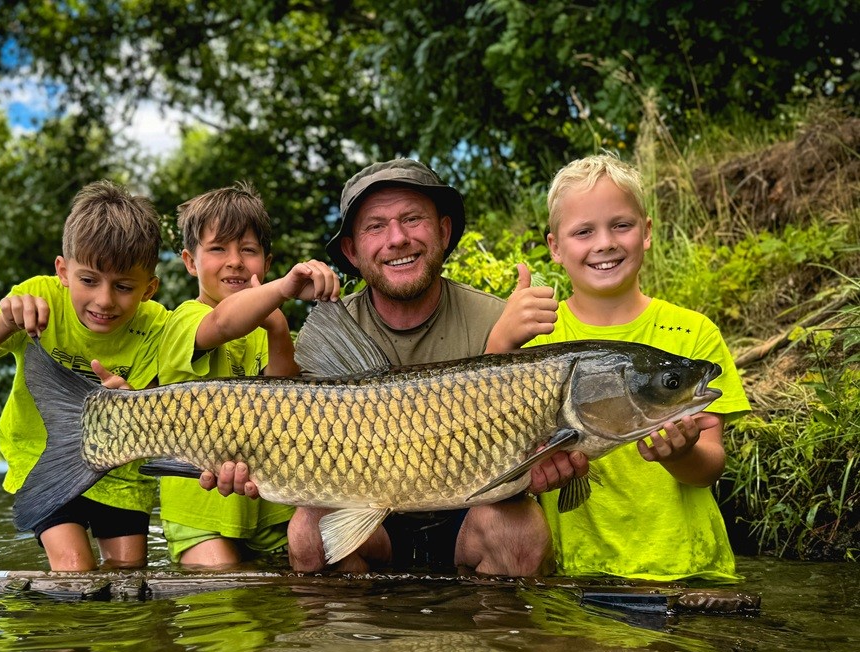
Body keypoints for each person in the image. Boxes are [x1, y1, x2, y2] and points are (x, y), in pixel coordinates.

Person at [202, 159, 589, 576]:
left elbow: (541, 450)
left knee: (520, 533)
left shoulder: (501, 322)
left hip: (469, 521)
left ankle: (494, 640)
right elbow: (287, 431)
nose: (397, 238)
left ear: (442, 231)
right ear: (351, 250)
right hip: (369, 525)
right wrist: (242, 459)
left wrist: (551, 467)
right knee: (308, 531)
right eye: (376, 226)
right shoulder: (331, 331)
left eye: (412, 219)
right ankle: (357, 639)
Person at [529, 153, 751, 581]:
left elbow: (710, 467)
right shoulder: (539, 338)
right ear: (555, 247)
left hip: (685, 568)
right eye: (583, 231)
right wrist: (502, 337)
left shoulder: (692, 334)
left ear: (646, 233)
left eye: (621, 225)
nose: (605, 243)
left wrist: (681, 454)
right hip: (575, 572)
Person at [0, 180, 168, 572]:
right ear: (62, 271)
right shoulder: (36, 299)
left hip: (121, 474)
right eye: (88, 280)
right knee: (75, 568)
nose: (104, 300)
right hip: (43, 460)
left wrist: (133, 399)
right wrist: (6, 322)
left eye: (124, 287)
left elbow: (157, 413)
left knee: (129, 579)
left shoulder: (157, 326)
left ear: (149, 289)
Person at [157, 182, 340, 568]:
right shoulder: (185, 319)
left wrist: (276, 328)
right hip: (201, 513)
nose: (235, 261)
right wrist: (282, 290)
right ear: (190, 262)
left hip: (269, 507)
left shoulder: (272, 328)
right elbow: (223, 323)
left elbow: (288, 392)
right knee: (225, 597)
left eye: (249, 250)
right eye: (218, 248)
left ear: (266, 262)